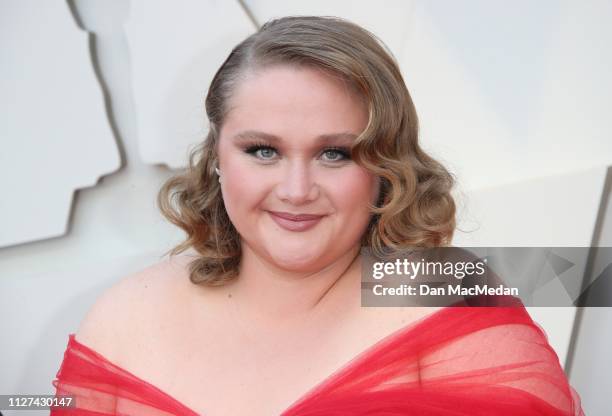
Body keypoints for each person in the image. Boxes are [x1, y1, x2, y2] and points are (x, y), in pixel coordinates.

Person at [51, 16, 583, 415]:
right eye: (262, 150)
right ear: (216, 157)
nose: (296, 190)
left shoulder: (449, 290)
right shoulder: (124, 316)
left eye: (336, 153)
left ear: (384, 166)